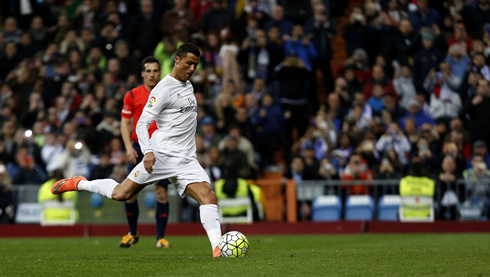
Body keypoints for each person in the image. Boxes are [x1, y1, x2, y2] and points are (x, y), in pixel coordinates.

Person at [51, 43, 223, 257]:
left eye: (195, 65)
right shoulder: (163, 89)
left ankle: (218, 247)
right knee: (121, 193)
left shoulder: (188, 86)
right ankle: (80, 183)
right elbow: (141, 123)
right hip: (161, 157)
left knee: (208, 197)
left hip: (187, 160)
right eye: (188, 63)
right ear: (176, 60)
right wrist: (148, 151)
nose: (192, 69)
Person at [118, 56, 171, 249]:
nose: (152, 74)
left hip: (160, 149)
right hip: (139, 148)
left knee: (161, 193)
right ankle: (132, 233)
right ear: (142, 73)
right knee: (130, 193)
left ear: (159, 72)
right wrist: (128, 147)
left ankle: (160, 237)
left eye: (155, 71)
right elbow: (125, 122)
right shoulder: (132, 95)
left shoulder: (166, 94)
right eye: (148, 71)